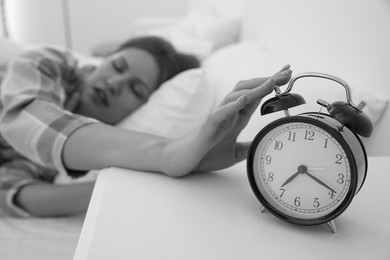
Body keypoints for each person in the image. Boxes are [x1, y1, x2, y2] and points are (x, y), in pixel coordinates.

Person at [0, 35, 292, 218]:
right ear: (103, 60)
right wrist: (164, 154)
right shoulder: (49, 62)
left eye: (135, 89)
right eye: (117, 66)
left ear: (143, 107)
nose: (114, 84)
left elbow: (13, 193)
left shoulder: (72, 149)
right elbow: (22, 117)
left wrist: (139, 182)